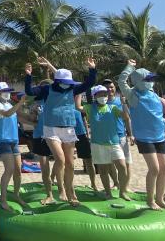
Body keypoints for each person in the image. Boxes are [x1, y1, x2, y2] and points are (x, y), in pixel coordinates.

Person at [25, 56, 97, 207]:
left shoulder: (72, 88)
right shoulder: (47, 89)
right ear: (57, 81)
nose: (67, 85)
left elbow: (89, 83)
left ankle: (71, 193)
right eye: (64, 82)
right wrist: (28, 76)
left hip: (68, 128)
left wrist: (92, 69)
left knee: (70, 164)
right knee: (61, 160)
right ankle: (60, 190)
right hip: (51, 129)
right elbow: (30, 91)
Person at [117, 60, 165, 211]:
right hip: (144, 138)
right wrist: (129, 67)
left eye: (151, 79)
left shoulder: (154, 96)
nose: (150, 82)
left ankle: (160, 199)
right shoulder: (133, 95)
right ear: (138, 81)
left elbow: (158, 118)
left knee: (164, 169)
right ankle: (150, 200)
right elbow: (121, 81)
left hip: (160, 136)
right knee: (154, 168)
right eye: (147, 79)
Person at [82, 85, 131, 200]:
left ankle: (122, 192)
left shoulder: (112, 107)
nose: (103, 96)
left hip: (114, 143)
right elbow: (78, 107)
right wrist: (79, 92)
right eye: (100, 94)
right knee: (103, 170)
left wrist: (124, 103)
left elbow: (126, 117)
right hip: (98, 144)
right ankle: (108, 193)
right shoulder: (90, 108)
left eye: (104, 94)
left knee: (123, 167)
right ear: (95, 96)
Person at [0, 82, 27, 210]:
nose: (8, 93)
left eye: (8, 90)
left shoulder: (9, 104)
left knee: (18, 170)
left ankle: (16, 195)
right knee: (9, 169)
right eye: (4, 91)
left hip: (14, 140)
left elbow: (17, 117)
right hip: (3, 141)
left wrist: (34, 122)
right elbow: (7, 114)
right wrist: (20, 103)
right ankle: (3, 199)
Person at [73, 98, 98, 192]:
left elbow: (84, 120)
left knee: (89, 161)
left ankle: (93, 184)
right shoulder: (61, 103)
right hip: (68, 134)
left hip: (81, 134)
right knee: (65, 162)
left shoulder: (78, 106)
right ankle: (53, 179)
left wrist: (87, 134)